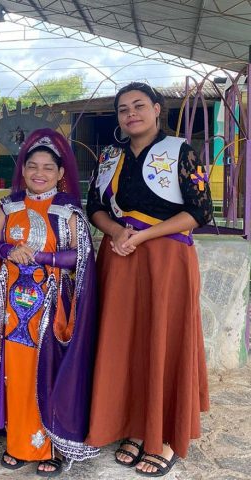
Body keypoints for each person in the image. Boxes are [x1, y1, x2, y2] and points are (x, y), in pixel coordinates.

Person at [86, 82, 212, 477]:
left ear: (157, 109)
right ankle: (135, 427)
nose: (131, 114)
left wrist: (142, 236)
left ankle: (167, 436)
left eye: (139, 106)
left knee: (164, 341)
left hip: (167, 260)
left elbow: (200, 211)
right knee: (126, 344)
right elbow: (95, 207)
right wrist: (116, 232)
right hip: (121, 258)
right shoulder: (110, 157)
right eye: (123, 109)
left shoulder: (181, 152)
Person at [0, 128, 99, 477]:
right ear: (23, 170)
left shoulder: (68, 211)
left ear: (60, 173)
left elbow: (80, 256)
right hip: (11, 306)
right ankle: (17, 443)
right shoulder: (9, 206)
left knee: (46, 370)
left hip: (50, 307)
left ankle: (50, 447)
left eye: (47, 167)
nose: (39, 173)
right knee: (14, 371)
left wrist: (43, 257)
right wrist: (8, 250)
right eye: (32, 166)